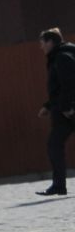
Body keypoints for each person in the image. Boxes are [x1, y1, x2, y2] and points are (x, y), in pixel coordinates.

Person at [38, 27, 75, 196]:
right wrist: (48, 105)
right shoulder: (60, 56)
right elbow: (59, 88)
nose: (41, 47)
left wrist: (67, 107)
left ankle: (59, 185)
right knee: (54, 145)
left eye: (43, 43)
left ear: (51, 42)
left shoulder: (62, 57)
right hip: (64, 109)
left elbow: (68, 84)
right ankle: (59, 186)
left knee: (54, 145)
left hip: (68, 111)